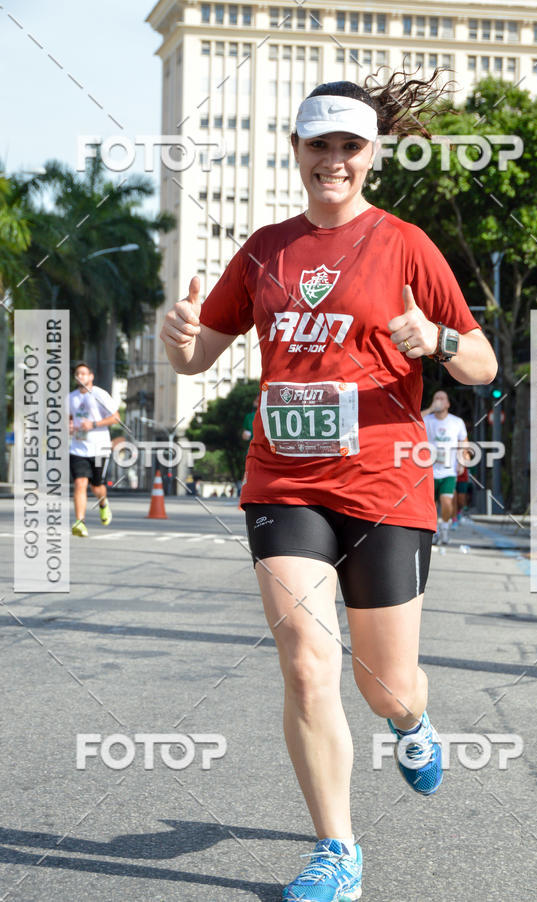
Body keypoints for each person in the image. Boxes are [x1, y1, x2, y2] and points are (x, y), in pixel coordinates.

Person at [160, 73, 497, 902]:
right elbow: (200, 356)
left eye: (350, 146)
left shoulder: (407, 244)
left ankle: (412, 722)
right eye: (320, 145)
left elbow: (483, 364)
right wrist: (177, 340)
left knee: (384, 682)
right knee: (308, 664)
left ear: (371, 155)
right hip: (284, 481)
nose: (334, 161)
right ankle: (336, 849)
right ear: (297, 151)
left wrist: (439, 335)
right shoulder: (266, 250)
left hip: (386, 484)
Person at [68, 362, 119, 537]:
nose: (80, 376)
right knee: (80, 483)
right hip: (77, 448)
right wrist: (69, 426)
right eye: (77, 374)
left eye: (83, 373)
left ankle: (103, 504)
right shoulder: (71, 398)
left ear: (91, 377)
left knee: (96, 486)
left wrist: (93, 424)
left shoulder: (99, 394)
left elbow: (116, 418)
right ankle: (80, 522)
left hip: (100, 448)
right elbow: (68, 418)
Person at [422, 390, 469, 545]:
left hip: (449, 469)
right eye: (436, 398)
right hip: (429, 469)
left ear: (448, 404)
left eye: (442, 398)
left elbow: (464, 442)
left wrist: (462, 460)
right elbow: (413, 422)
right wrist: (430, 409)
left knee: (446, 501)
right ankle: (435, 531)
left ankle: (445, 527)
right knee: (432, 504)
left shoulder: (456, 422)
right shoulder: (427, 419)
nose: (439, 400)